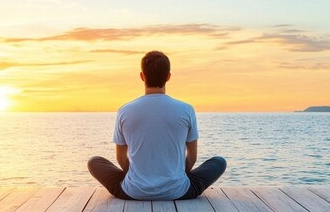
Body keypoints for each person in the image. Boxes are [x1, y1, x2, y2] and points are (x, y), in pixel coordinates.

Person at [87, 50, 227, 200]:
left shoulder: (125, 111)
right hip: (178, 191)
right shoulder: (186, 110)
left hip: (134, 192)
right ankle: (173, 181)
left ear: (142, 76)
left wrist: (140, 176)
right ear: (168, 76)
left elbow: (121, 158)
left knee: (94, 162)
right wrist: (175, 175)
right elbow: (192, 157)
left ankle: (141, 181)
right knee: (219, 162)